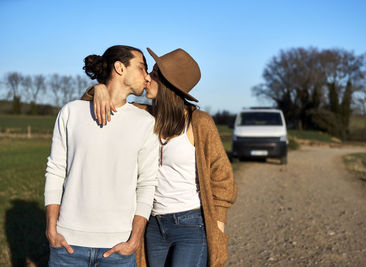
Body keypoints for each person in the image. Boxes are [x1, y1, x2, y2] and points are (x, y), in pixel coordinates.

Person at [83, 47, 237, 267]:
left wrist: (218, 229)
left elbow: (222, 179)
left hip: (191, 225)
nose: (147, 78)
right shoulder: (143, 116)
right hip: (153, 226)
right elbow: (106, 100)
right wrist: (98, 89)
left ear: (168, 84)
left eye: (154, 75)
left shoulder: (199, 122)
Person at [44, 45, 159, 267]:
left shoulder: (145, 122)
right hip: (67, 244)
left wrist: (135, 239)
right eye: (142, 68)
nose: (147, 77)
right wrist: (51, 228)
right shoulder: (71, 112)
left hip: (119, 248)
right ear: (119, 68)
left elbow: (147, 183)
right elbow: (55, 170)